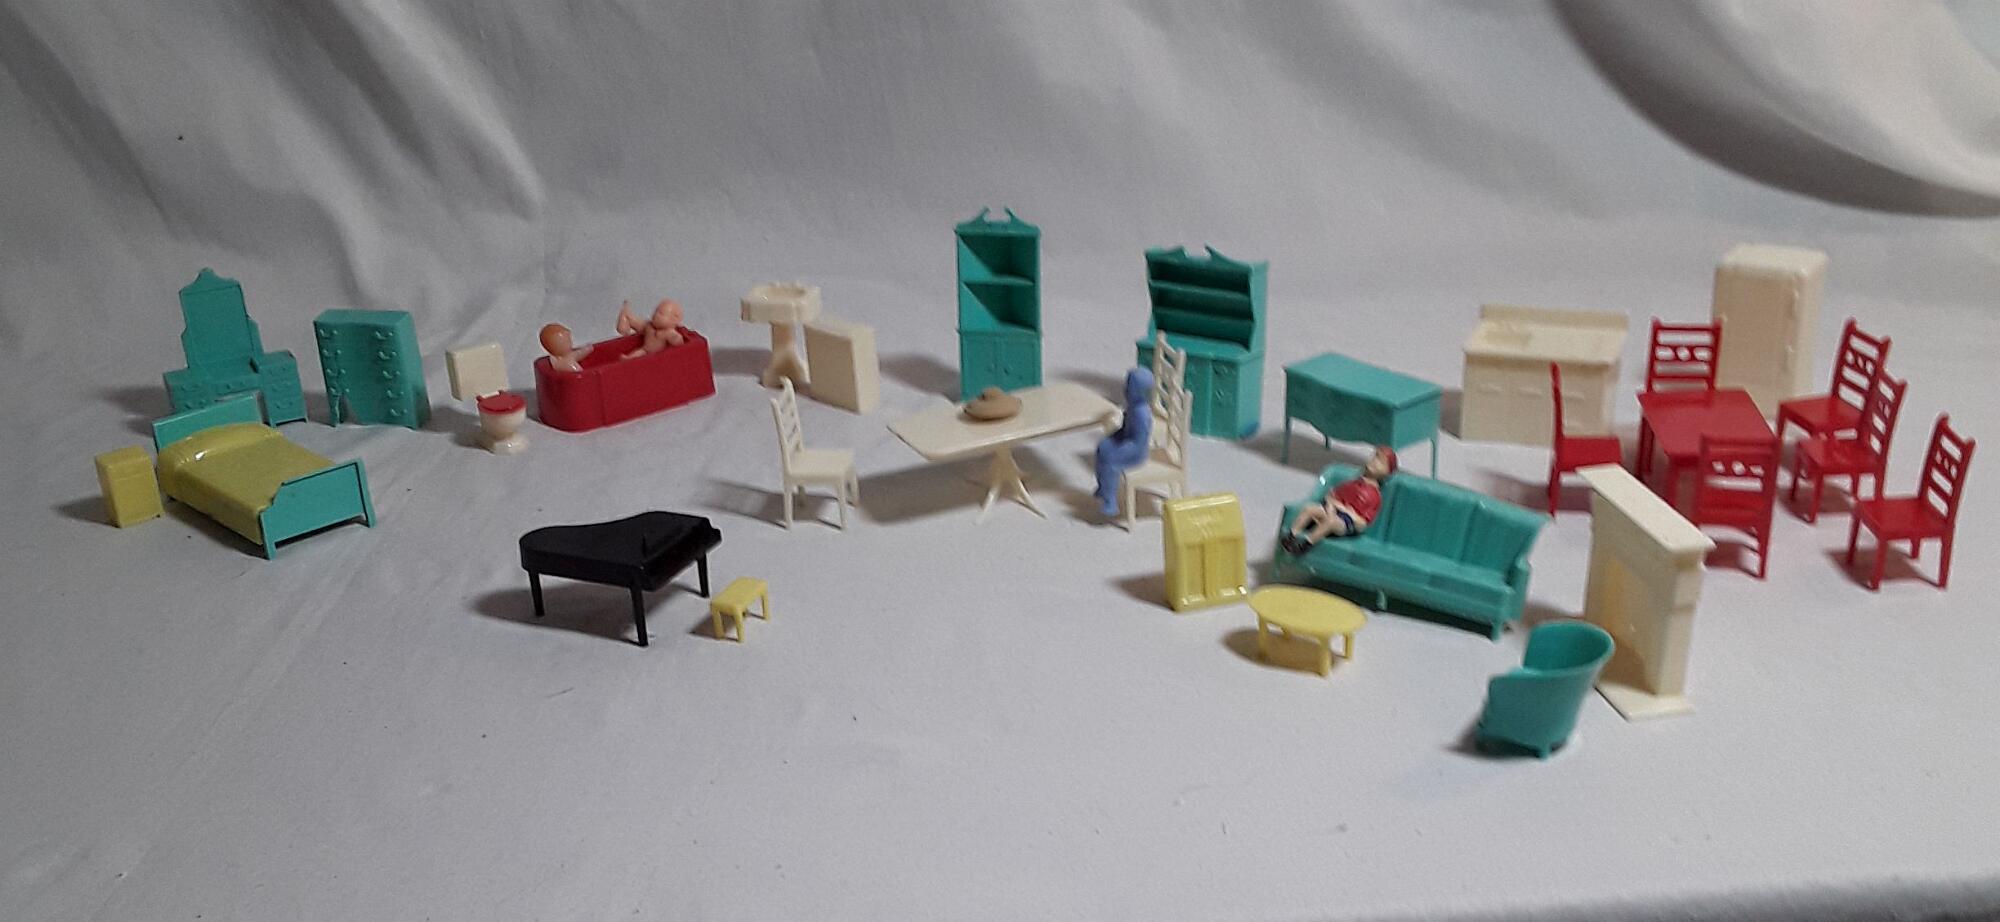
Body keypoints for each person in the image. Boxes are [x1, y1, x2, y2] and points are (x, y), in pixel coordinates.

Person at [1281, 445, 1397, 554]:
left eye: (1380, 461)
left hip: (1345, 522)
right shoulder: (1353, 484)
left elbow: (1362, 523)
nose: (1374, 461)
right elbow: (1332, 495)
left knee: (1331, 522)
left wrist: (1346, 512)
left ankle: (1306, 544)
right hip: (1332, 511)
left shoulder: (1375, 496)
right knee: (1309, 509)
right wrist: (1331, 506)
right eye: (1374, 456)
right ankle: (1291, 536)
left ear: (1387, 472)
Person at [1092, 367, 1155, 518]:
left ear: (1140, 391)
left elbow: (1139, 442)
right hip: (1126, 439)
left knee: (1109, 460)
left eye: (1130, 387)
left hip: (1136, 451)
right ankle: (1103, 487)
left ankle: (1110, 501)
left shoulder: (1142, 415)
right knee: (1102, 447)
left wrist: (1119, 447)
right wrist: (1115, 436)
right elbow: (1125, 426)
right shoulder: (1132, 407)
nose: (1126, 390)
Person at [615, 298, 687, 358]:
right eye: (656, 311)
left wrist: (676, 338)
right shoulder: (649, 326)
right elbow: (638, 325)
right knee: (638, 353)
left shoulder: (668, 332)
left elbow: (678, 343)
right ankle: (629, 358)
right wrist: (628, 318)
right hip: (645, 350)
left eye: (661, 313)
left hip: (659, 356)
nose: (656, 315)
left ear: (675, 320)